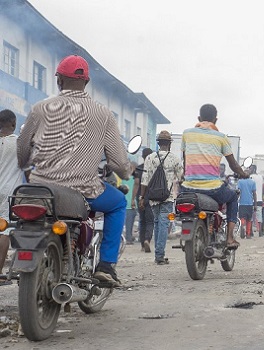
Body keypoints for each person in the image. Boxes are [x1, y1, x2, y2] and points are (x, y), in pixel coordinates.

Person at [17, 55, 133, 286]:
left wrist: (26, 164)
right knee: (119, 202)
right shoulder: (103, 114)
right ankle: (106, 266)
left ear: (59, 80)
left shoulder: (40, 109)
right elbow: (119, 163)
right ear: (86, 82)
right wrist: (127, 172)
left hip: (41, 188)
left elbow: (22, 149)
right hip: (83, 190)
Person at [180, 104, 248, 249]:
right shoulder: (221, 137)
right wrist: (244, 174)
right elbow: (234, 165)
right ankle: (229, 238)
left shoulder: (187, 134)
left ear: (199, 118)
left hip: (187, 188)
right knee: (233, 197)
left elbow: (186, 161)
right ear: (215, 120)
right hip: (213, 189)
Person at [139, 130, 183, 265]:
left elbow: (144, 180)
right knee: (164, 223)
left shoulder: (150, 158)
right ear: (169, 144)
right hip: (167, 196)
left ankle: (158, 253)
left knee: (158, 222)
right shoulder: (174, 159)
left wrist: (142, 197)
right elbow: (181, 178)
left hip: (152, 197)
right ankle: (159, 255)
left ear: (158, 144)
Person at [0, 110, 26, 284]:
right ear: (14, 124)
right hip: (8, 191)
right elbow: (29, 169)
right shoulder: (19, 144)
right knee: (4, 230)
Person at [133, 148, 154, 253]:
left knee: (142, 221)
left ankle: (142, 245)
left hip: (140, 197)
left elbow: (136, 184)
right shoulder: (154, 169)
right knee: (150, 221)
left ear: (142, 156)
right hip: (151, 197)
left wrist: (133, 199)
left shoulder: (139, 168)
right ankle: (147, 240)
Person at [237, 169, 257, 239]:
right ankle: (248, 234)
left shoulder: (240, 182)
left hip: (242, 203)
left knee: (242, 218)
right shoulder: (252, 182)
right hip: (250, 203)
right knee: (249, 219)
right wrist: (255, 205)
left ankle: (242, 227)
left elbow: (238, 192)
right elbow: (254, 194)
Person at [248, 164, 264, 236]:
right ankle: (260, 232)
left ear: (253, 169)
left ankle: (251, 231)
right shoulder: (261, 177)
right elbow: (262, 188)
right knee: (259, 216)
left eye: (250, 169)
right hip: (259, 199)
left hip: (252, 199)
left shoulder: (251, 177)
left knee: (251, 216)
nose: (249, 170)